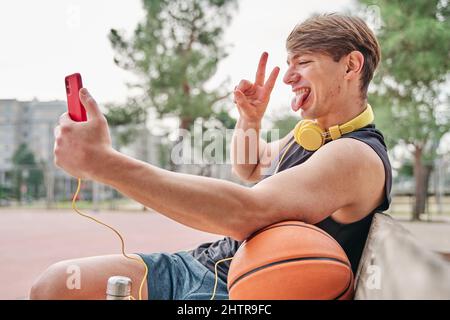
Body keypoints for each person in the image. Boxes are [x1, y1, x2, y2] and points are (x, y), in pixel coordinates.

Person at [30, 13, 392, 300]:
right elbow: (250, 167)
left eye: (304, 62)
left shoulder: (354, 155)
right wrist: (250, 119)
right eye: (289, 63)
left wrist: (104, 163)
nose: (289, 77)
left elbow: (246, 212)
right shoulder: (312, 136)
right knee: (55, 286)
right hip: (208, 263)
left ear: (350, 66)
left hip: (245, 288)